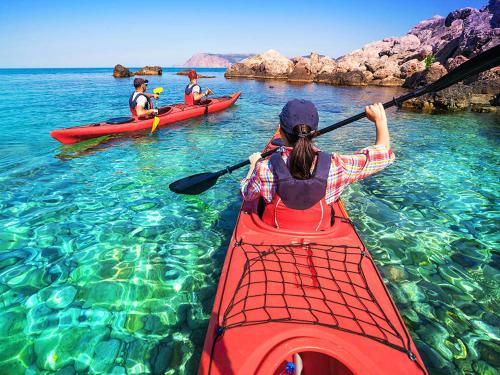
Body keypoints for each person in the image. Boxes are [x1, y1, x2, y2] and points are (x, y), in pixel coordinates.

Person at [240, 99, 395, 231]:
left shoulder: (264, 168)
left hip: (273, 232)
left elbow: (247, 194)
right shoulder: (337, 166)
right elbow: (384, 155)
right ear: (315, 133)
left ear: (280, 131)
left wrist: (253, 165)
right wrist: (380, 121)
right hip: (319, 233)